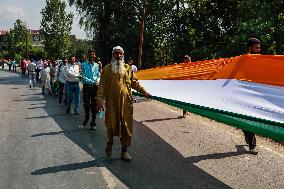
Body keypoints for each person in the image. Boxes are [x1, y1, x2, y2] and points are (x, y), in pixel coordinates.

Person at [97, 46, 150, 161]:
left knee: (126, 127)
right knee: (111, 125)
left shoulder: (128, 69)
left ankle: (124, 151)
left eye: (120, 54)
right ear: (113, 55)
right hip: (112, 104)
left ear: (123, 55)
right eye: (116, 53)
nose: (118, 56)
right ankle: (109, 143)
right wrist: (99, 100)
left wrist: (144, 91)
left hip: (126, 104)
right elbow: (101, 86)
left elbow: (135, 83)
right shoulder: (106, 69)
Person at [242, 38, 260, 155]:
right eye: (256, 48)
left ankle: (252, 145)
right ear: (250, 48)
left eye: (259, 47)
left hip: (255, 94)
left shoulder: (261, 59)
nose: (259, 50)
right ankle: (250, 140)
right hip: (243, 94)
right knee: (244, 119)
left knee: (251, 119)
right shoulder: (243, 59)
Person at [81, 49, 101, 130]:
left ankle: (93, 122)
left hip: (95, 88)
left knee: (94, 106)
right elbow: (83, 76)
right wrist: (93, 81)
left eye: (93, 54)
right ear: (88, 55)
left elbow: (98, 75)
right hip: (86, 87)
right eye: (90, 54)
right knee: (86, 104)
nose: (92, 56)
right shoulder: (83, 64)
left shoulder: (97, 65)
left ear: (95, 55)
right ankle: (87, 116)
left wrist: (98, 81)